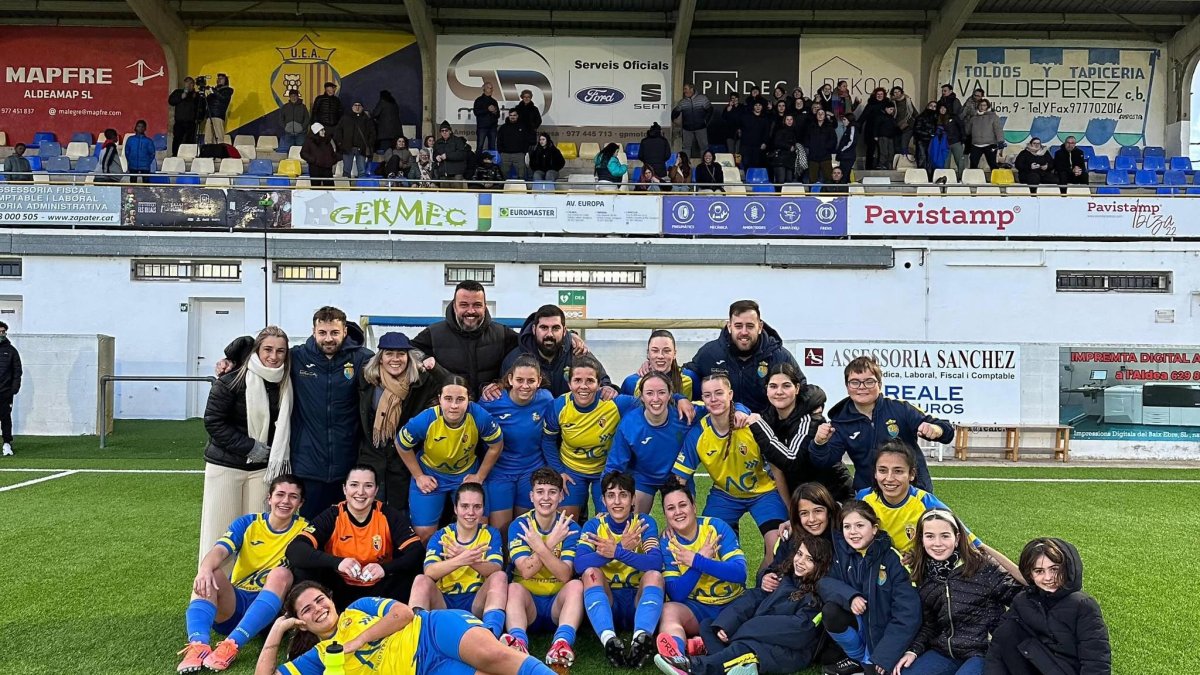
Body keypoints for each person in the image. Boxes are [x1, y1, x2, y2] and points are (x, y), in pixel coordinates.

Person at [219, 306, 373, 518]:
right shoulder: (297, 357)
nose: (328, 338)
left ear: (345, 331)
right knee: (309, 526)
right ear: (313, 332)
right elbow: (263, 361)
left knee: (344, 526)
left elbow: (393, 365)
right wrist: (232, 361)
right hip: (307, 463)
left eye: (335, 332)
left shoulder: (362, 358)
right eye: (322, 332)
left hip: (347, 463)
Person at [256, 581, 559, 675]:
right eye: (307, 610)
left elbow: (403, 614)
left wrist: (356, 642)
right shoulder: (320, 657)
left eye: (320, 600)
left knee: (493, 657)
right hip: (423, 669)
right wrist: (276, 631)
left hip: (431, 630)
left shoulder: (358, 607)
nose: (318, 609)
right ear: (302, 623)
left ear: (330, 599)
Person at [177, 474, 306, 674]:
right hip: (234, 605)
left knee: (282, 574)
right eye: (280, 494)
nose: (285, 501)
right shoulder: (248, 523)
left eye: (293, 496)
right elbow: (220, 551)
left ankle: (232, 645)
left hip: (270, 616)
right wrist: (203, 570)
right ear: (269, 498)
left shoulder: (305, 529)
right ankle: (198, 644)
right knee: (211, 572)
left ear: (300, 503)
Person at [657, 535, 833, 675]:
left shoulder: (815, 597)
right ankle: (735, 666)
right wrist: (726, 625)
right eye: (799, 554)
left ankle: (692, 667)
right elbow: (753, 597)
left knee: (743, 648)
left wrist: (742, 631)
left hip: (787, 651)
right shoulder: (784, 578)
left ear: (820, 566)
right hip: (753, 635)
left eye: (809, 559)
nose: (800, 561)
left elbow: (799, 630)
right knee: (709, 626)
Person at [672, 374, 790, 569]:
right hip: (725, 496)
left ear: (730, 394)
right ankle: (733, 585)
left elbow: (778, 470)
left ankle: (762, 584)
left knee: (778, 547)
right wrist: (676, 519)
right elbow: (679, 480)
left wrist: (790, 510)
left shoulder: (752, 425)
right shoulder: (698, 435)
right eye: (707, 395)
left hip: (764, 493)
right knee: (707, 544)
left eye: (719, 393)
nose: (713, 399)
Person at [199, 326, 292, 560]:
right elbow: (213, 422)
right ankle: (212, 583)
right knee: (219, 533)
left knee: (256, 536)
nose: (273, 356)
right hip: (226, 466)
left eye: (280, 351)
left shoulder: (287, 382)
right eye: (267, 349)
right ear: (257, 350)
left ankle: (250, 582)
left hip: (263, 470)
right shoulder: (231, 380)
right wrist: (250, 447)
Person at [894, 508, 1023, 675]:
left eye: (945, 536)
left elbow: (1021, 601)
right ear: (921, 540)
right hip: (945, 651)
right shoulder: (923, 575)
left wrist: (1002, 637)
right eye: (930, 536)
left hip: (983, 652)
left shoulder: (983, 567)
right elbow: (930, 624)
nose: (937, 543)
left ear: (957, 538)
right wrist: (914, 650)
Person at [286, 465, 423, 607]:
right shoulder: (332, 515)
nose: (360, 492)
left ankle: (412, 616)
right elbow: (295, 550)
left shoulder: (388, 515)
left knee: (416, 573)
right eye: (354, 485)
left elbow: (417, 552)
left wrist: (385, 568)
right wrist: (337, 562)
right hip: (337, 589)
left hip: (381, 589)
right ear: (345, 489)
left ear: (376, 490)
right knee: (303, 568)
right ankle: (303, 617)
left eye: (368, 486)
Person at [811, 356, 952, 493]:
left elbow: (946, 431)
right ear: (847, 387)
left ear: (879, 384)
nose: (862, 387)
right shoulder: (840, 421)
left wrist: (936, 430)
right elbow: (825, 462)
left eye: (869, 382)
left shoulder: (901, 409)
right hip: (870, 494)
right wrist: (819, 443)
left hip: (913, 490)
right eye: (855, 382)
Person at [817, 500, 921, 675]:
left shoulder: (893, 560)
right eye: (847, 527)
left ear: (874, 528)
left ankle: (871, 660)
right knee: (831, 612)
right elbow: (825, 582)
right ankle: (858, 658)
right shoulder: (842, 555)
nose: (853, 532)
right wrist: (850, 596)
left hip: (884, 634)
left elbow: (908, 613)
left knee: (876, 669)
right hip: (862, 625)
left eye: (859, 525)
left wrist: (885, 655)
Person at [575, 471, 666, 668]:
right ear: (603, 500)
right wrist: (616, 550)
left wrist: (617, 551)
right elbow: (579, 564)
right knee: (591, 573)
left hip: (638, 602)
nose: (617, 501)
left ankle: (640, 639)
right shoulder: (594, 525)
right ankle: (609, 640)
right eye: (611, 495)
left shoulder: (643, 523)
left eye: (623, 495)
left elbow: (655, 562)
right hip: (607, 603)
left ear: (633, 499)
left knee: (654, 576)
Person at [654, 477, 747, 667]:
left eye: (683, 505)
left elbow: (740, 573)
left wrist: (697, 561)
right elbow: (676, 594)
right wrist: (698, 563)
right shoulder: (667, 542)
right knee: (667, 610)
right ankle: (677, 658)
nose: (678, 512)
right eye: (671, 508)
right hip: (699, 608)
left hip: (732, 604)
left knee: (750, 626)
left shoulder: (716, 527)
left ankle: (703, 644)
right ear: (665, 514)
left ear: (694, 506)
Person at [397, 377, 503, 542]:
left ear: (469, 400)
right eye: (448, 399)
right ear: (439, 399)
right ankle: (434, 559)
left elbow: (496, 445)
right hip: (430, 473)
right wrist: (419, 476)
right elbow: (401, 444)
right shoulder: (426, 419)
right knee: (424, 534)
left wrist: (480, 476)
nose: (454, 405)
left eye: (460, 399)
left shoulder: (479, 416)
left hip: (465, 474)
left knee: (479, 527)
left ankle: (468, 559)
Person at [985, 538, 1111, 675]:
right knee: (1007, 630)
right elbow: (998, 646)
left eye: (1054, 569)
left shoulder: (1083, 605)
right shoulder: (1022, 601)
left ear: (1067, 568)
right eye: (1039, 571)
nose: (1048, 577)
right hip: (1030, 666)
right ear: (1030, 574)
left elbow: (1096, 662)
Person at [502, 468, 585, 669]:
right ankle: (519, 642)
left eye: (552, 492)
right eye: (540, 492)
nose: (546, 498)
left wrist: (539, 547)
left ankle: (561, 643)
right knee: (513, 588)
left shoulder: (570, 527)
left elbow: (565, 574)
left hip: (558, 604)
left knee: (576, 586)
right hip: (527, 604)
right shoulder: (520, 525)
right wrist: (551, 543)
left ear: (561, 496)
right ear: (531, 496)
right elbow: (526, 571)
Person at [542, 355, 642, 519]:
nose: (583, 386)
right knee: (565, 521)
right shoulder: (559, 406)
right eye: (577, 380)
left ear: (599, 384)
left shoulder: (615, 403)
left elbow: (651, 400)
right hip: (571, 470)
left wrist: (680, 400)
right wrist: (559, 471)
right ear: (569, 384)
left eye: (590, 381)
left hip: (606, 471)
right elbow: (547, 441)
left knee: (607, 520)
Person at [358, 331, 448, 510]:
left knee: (399, 513)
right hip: (372, 458)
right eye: (389, 353)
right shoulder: (367, 380)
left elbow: (454, 385)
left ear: (408, 357)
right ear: (380, 358)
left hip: (404, 461)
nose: (395, 359)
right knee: (369, 511)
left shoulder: (421, 382)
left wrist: (435, 368)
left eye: (401, 354)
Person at [857, 440, 986, 564]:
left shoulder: (926, 502)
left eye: (898, 471)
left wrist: (918, 555)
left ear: (911, 474)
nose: (889, 478)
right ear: (875, 473)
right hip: (871, 568)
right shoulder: (864, 498)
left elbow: (972, 541)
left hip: (913, 572)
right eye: (882, 470)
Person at [408, 483, 509, 637]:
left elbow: (495, 568)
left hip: (477, 602)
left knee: (500, 577)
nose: (471, 512)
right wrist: (461, 559)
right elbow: (429, 572)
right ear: (455, 508)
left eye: (477, 506)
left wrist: (467, 557)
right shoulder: (441, 535)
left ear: (483, 509)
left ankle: (491, 634)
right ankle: (415, 636)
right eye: (465, 506)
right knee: (421, 580)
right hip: (444, 603)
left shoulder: (491, 533)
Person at [686, 299, 811, 413]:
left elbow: (803, 388)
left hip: (765, 426)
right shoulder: (710, 353)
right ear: (729, 326)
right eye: (738, 326)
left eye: (750, 326)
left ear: (760, 327)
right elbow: (686, 378)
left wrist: (816, 405)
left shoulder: (778, 355)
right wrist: (681, 398)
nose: (744, 332)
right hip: (722, 426)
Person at [478, 355, 554, 533]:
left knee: (524, 528)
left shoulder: (546, 399)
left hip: (531, 471)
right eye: (520, 380)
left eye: (531, 381)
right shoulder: (491, 402)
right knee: (501, 530)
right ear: (510, 379)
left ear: (539, 381)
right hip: (500, 472)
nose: (525, 386)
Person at [607, 371, 696, 514]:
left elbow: (716, 408)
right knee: (633, 522)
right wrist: (606, 502)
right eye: (649, 393)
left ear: (670, 394)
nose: (656, 399)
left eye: (661, 392)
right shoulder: (629, 424)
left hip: (677, 477)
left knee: (684, 521)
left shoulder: (685, 414)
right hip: (643, 478)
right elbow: (614, 465)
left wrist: (737, 411)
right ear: (641, 396)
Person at [413, 280, 519, 399]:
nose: (471, 311)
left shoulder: (502, 333)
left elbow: (526, 350)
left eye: (477, 305)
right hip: (450, 407)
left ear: (485, 306)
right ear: (454, 306)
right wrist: (424, 358)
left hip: (489, 405)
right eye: (464, 305)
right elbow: (409, 350)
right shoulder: (433, 334)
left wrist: (502, 383)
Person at [762, 362, 852, 502]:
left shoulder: (810, 419)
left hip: (835, 492)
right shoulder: (768, 419)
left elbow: (791, 461)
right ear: (766, 389)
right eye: (773, 386)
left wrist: (758, 428)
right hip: (804, 497)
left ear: (797, 388)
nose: (779, 392)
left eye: (786, 386)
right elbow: (777, 470)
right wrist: (789, 509)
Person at [499, 304, 613, 399]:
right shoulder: (515, 360)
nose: (549, 334)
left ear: (564, 330)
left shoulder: (578, 353)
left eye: (555, 328)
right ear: (534, 329)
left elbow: (603, 381)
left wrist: (607, 389)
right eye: (544, 328)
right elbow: (503, 392)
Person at [335, 101, 376, 178]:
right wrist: (340, 143)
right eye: (355, 105)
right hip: (347, 148)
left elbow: (372, 133)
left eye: (359, 105)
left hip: (361, 148)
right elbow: (338, 131)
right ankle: (346, 186)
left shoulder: (366, 119)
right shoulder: (345, 118)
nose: (357, 107)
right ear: (352, 107)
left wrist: (369, 144)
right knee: (346, 171)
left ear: (362, 107)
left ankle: (361, 186)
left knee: (362, 171)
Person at [168, 77, 206, 155]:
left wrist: (200, 119)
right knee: (177, 140)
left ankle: (189, 155)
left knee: (190, 141)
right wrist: (181, 96)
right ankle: (175, 155)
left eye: (191, 83)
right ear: (184, 84)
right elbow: (171, 101)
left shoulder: (197, 95)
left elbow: (202, 107)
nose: (188, 85)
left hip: (191, 122)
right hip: (179, 122)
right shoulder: (178, 92)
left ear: (193, 85)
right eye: (187, 83)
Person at [673, 84, 712, 158]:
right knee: (686, 148)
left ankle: (705, 164)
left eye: (685, 89)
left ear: (691, 89)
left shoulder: (702, 99)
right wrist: (674, 120)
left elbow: (710, 110)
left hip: (701, 128)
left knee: (704, 147)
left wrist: (705, 121)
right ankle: (685, 163)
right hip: (687, 129)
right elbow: (675, 112)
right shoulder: (682, 102)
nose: (684, 91)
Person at [964, 98, 1003, 170]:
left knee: (993, 164)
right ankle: (973, 177)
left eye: (984, 105)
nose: (982, 107)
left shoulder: (993, 117)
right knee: (973, 164)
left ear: (987, 106)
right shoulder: (973, 118)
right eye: (980, 105)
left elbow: (998, 129)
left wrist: (1000, 141)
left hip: (990, 144)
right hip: (976, 145)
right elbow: (967, 131)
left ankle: (995, 177)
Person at [0, 321, 20, 456]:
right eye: (0, 331)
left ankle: (7, 443)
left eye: (3, 332)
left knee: (5, 418)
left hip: (5, 392)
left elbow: (17, 371)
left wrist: (14, 389)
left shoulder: (11, 351)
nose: (2, 334)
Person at [857, 88, 889, 170]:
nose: (879, 96)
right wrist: (857, 125)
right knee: (871, 149)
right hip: (870, 130)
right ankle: (869, 168)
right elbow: (863, 116)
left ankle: (881, 166)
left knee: (883, 149)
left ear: (884, 95)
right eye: (878, 94)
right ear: (875, 95)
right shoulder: (870, 104)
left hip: (883, 131)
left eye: (881, 94)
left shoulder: (888, 104)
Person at [805, 108, 837, 184]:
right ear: (816, 115)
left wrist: (827, 148)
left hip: (825, 156)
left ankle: (829, 192)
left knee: (828, 178)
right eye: (818, 113)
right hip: (813, 156)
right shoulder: (810, 127)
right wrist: (811, 147)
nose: (820, 115)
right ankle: (813, 192)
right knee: (812, 179)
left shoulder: (829, 127)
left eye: (822, 113)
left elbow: (833, 140)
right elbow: (806, 139)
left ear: (825, 116)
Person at [300, 123, 337, 188]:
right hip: (315, 168)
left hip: (327, 168)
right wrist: (314, 160)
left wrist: (332, 160)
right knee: (316, 188)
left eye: (324, 130)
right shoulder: (309, 141)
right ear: (316, 131)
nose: (324, 131)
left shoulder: (327, 140)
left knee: (330, 188)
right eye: (322, 130)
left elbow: (332, 153)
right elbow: (303, 153)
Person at [936, 102, 967, 177]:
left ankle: (961, 177)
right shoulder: (937, 118)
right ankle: (946, 178)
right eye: (941, 108)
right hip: (944, 144)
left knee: (960, 161)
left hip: (955, 141)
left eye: (944, 108)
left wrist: (963, 139)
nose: (942, 109)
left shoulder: (953, 117)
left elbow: (961, 127)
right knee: (945, 163)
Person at [739, 101, 772, 171]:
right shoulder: (746, 117)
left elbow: (766, 132)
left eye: (760, 105)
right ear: (753, 107)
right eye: (756, 105)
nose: (758, 107)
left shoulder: (765, 118)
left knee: (757, 165)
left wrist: (765, 142)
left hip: (758, 146)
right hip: (747, 145)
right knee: (746, 164)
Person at [201, 73, 234, 144]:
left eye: (221, 78)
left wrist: (213, 91)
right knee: (208, 138)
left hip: (218, 115)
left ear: (226, 80)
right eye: (218, 78)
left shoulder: (228, 90)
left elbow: (223, 98)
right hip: (209, 115)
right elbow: (207, 101)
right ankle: (207, 149)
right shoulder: (213, 91)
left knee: (219, 138)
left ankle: (219, 150)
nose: (219, 80)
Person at [496, 109, 529, 180]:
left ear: (517, 116)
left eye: (514, 115)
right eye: (511, 115)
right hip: (505, 155)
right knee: (503, 176)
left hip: (519, 155)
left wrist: (524, 151)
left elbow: (526, 140)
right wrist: (500, 151)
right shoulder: (503, 127)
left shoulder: (523, 127)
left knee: (521, 176)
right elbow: (499, 140)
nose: (512, 117)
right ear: (509, 116)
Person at [768, 113, 798, 186]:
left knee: (789, 182)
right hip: (780, 160)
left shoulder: (795, 131)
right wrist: (789, 147)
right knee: (780, 181)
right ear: (784, 121)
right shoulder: (780, 131)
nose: (789, 121)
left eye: (791, 119)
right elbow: (776, 142)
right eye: (787, 119)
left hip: (790, 160)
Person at [891, 86, 918, 158]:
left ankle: (905, 160)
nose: (897, 93)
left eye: (898, 92)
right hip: (897, 127)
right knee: (896, 146)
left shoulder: (907, 101)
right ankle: (898, 161)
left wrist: (918, 123)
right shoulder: (892, 103)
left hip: (908, 126)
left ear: (902, 92)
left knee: (904, 145)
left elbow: (914, 113)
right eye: (895, 92)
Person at [474, 82, 500, 152]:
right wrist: (487, 109)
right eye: (488, 88)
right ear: (484, 89)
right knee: (480, 146)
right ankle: (478, 159)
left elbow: (498, 115)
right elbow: (476, 112)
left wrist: (495, 112)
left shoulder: (494, 101)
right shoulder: (479, 100)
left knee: (492, 147)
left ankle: (491, 159)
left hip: (493, 128)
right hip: (482, 127)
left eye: (491, 88)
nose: (490, 89)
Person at [874, 102, 900, 172]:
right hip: (883, 136)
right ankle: (881, 165)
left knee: (891, 152)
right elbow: (876, 126)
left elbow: (894, 127)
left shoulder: (891, 117)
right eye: (890, 109)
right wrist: (875, 135)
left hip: (890, 137)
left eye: (893, 110)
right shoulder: (880, 116)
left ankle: (889, 165)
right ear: (886, 108)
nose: (892, 111)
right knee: (884, 152)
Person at [912, 101, 938, 170]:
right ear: (927, 106)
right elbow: (916, 129)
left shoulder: (936, 118)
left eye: (934, 106)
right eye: (931, 105)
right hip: (922, 140)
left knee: (930, 158)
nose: (932, 107)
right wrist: (928, 134)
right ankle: (922, 174)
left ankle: (929, 174)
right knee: (922, 157)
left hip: (932, 141)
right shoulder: (921, 117)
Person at [834, 113, 858, 179]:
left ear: (849, 120)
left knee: (844, 175)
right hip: (845, 156)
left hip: (848, 156)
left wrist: (842, 150)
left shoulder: (852, 128)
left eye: (844, 119)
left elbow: (851, 142)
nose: (843, 121)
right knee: (845, 176)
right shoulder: (848, 129)